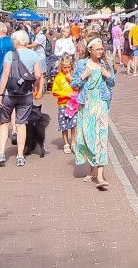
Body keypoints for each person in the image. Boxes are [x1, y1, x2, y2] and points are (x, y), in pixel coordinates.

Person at [0, 30, 42, 167]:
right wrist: (34, 87)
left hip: (9, 94)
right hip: (26, 94)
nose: (12, 43)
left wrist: (0, 94)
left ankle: (1, 154)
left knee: (4, 123)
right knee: (21, 124)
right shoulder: (34, 55)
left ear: (17, 41)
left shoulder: (10, 54)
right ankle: (20, 156)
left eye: (13, 40)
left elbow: (5, 74)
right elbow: (38, 75)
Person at [71, 38, 111, 189]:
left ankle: (100, 175)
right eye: (98, 49)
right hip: (86, 104)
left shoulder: (104, 64)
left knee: (101, 136)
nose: (101, 51)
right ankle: (92, 170)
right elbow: (74, 84)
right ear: (90, 50)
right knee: (87, 137)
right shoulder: (81, 64)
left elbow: (112, 82)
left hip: (100, 103)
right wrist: (83, 76)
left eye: (102, 49)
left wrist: (108, 75)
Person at [52, 54, 77, 154]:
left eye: (68, 67)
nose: (66, 69)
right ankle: (66, 143)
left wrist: (70, 78)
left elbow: (77, 87)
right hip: (63, 104)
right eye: (64, 67)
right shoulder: (58, 77)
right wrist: (66, 94)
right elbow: (55, 91)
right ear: (61, 67)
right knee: (64, 124)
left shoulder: (74, 75)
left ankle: (73, 142)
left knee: (74, 123)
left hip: (73, 104)